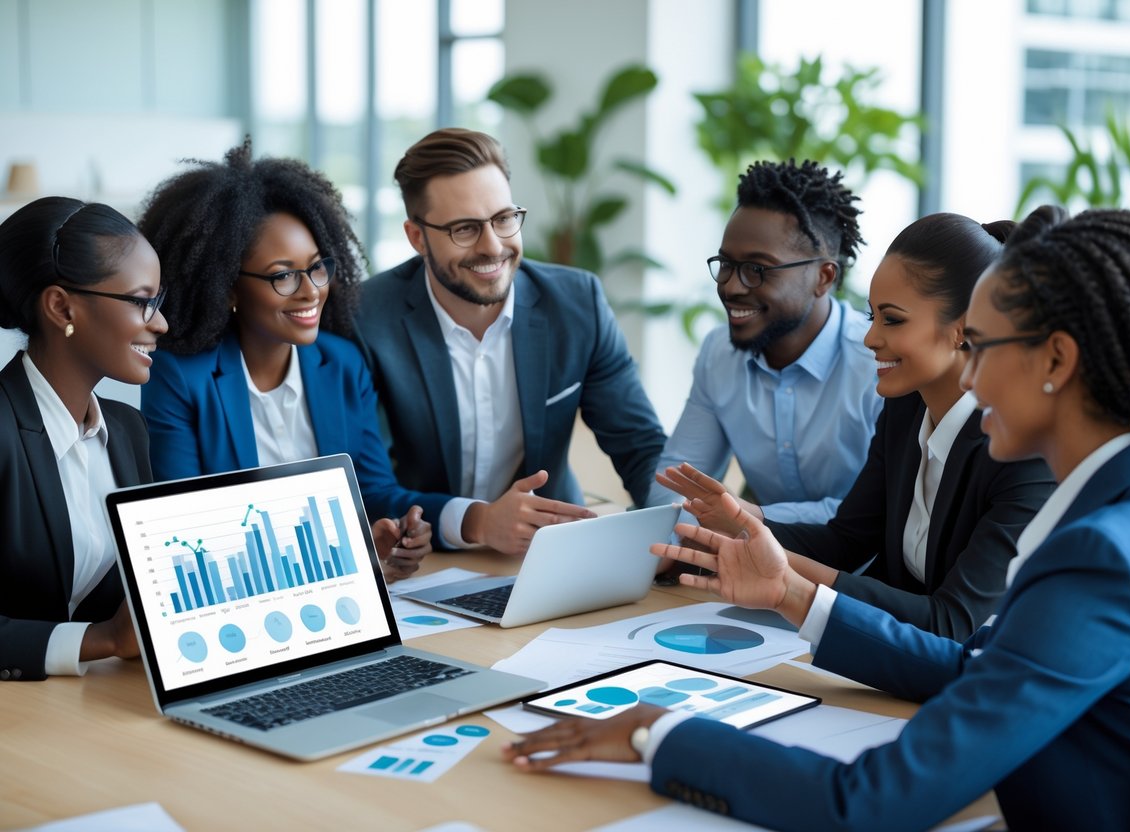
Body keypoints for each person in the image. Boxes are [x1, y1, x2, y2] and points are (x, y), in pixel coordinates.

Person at [505, 206, 1130, 832]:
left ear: (1055, 359)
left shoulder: (1097, 560)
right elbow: (974, 670)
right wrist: (788, 591)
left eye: (984, 348)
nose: (967, 378)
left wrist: (657, 734)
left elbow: (868, 802)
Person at [660, 213, 1054, 638]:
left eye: (893, 319)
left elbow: (951, 622)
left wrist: (786, 581)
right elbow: (847, 540)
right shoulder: (905, 410)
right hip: (890, 667)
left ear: (963, 327)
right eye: (872, 317)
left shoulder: (1023, 453)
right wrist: (742, 524)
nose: (870, 338)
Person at [357, 127, 667, 556]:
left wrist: (676, 525)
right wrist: (478, 521)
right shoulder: (365, 320)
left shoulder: (578, 305)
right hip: (421, 567)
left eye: (503, 219)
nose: (493, 246)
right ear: (416, 238)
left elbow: (641, 447)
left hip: (546, 555)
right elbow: (363, 487)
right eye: (465, 229)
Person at [138, 141, 431, 583]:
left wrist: (403, 530)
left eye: (316, 267)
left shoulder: (344, 364)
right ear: (229, 287)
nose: (311, 290)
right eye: (283, 275)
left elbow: (374, 492)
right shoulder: (180, 377)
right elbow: (187, 530)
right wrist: (343, 556)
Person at [644, 159, 880, 526]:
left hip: (860, 578)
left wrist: (749, 517)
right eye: (726, 263)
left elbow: (874, 516)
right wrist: (684, 523)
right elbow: (674, 483)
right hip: (755, 569)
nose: (732, 286)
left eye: (757, 269)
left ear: (823, 277)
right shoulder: (718, 354)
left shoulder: (876, 363)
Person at [0, 197, 167, 680]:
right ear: (61, 306)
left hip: (101, 703)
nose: (160, 323)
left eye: (159, 301)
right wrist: (101, 640)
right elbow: (109, 630)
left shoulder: (127, 430)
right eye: (142, 301)